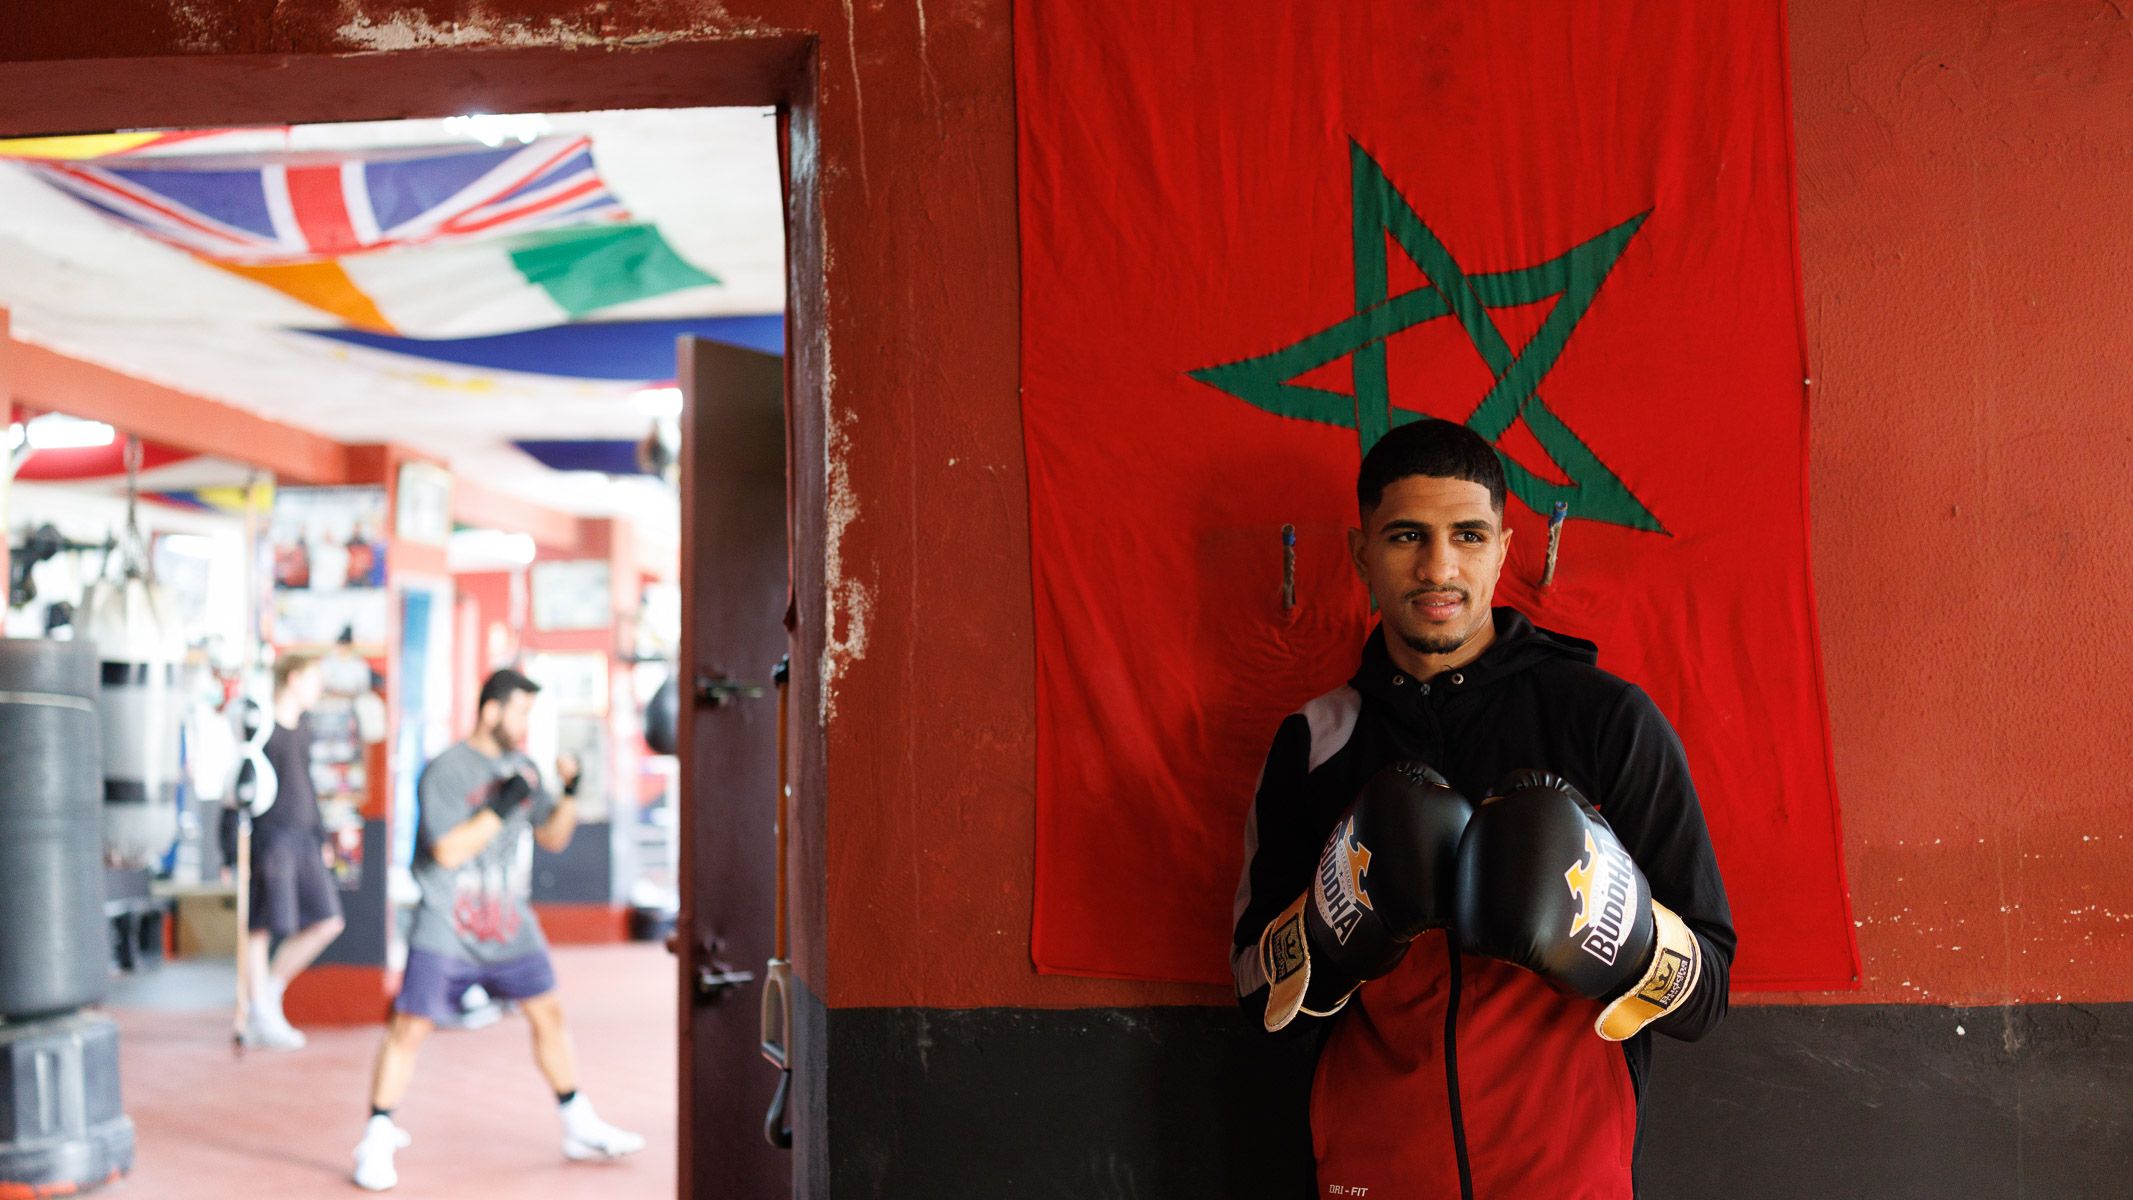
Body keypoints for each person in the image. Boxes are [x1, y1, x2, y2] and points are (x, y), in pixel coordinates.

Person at [1230, 419, 1735, 1199]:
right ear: (1361, 554)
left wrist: (1618, 932)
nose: (1438, 567)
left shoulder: (1605, 720)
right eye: (1405, 536)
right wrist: (1335, 921)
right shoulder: (1314, 742)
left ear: (1501, 548)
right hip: (1373, 1174)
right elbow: (1253, 987)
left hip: (1567, 1178)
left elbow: (1706, 993)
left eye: (1466, 536)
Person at [351, 668, 644, 1192]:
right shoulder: (446, 770)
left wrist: (570, 790)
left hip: (508, 921)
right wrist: (501, 804)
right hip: (447, 922)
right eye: (520, 711)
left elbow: (553, 836)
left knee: (549, 1014)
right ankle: (376, 1134)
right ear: (491, 711)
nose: (525, 722)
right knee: (410, 1027)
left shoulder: (523, 768)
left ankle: (577, 1122)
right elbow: (447, 851)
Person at [239, 653, 345, 1051]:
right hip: (271, 835)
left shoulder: (303, 727)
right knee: (261, 926)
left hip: (304, 836)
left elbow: (306, 785)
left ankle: (269, 993)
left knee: (327, 921)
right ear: (295, 678)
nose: (319, 687)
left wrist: (321, 837)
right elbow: (239, 782)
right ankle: (259, 1011)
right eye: (314, 678)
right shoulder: (260, 724)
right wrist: (229, 847)